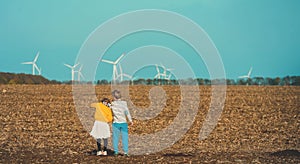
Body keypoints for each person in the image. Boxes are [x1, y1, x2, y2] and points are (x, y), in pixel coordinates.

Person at [111, 90, 133, 156]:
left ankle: (116, 152)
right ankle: (125, 152)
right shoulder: (124, 103)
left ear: (114, 97)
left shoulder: (112, 104)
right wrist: (130, 120)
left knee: (115, 138)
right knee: (125, 137)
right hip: (124, 123)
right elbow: (127, 112)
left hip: (116, 123)